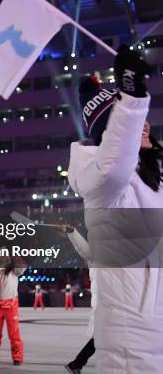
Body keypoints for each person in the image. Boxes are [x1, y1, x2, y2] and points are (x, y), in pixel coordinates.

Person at [68, 45, 163, 373]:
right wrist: (132, 100)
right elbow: (114, 164)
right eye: (137, 124)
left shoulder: (152, 178)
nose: (145, 126)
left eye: (145, 122)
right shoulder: (104, 184)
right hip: (131, 344)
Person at [59, 224, 96, 374]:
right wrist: (72, 232)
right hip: (109, 305)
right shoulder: (97, 255)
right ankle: (76, 364)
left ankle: (76, 364)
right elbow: (84, 249)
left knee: (100, 338)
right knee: (102, 338)